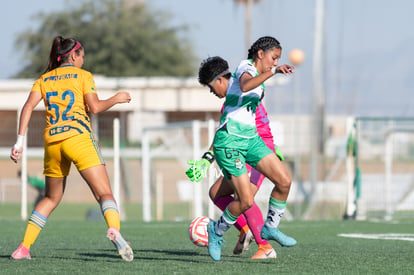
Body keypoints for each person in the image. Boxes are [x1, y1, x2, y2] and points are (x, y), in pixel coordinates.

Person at [9, 36, 133, 262]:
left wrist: (19, 142)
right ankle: (115, 230)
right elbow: (94, 108)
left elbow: (27, 107)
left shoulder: (44, 79)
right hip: (78, 138)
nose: (83, 61)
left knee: (50, 198)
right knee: (104, 193)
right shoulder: (83, 76)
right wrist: (117, 98)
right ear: (74, 56)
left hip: (53, 142)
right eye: (82, 56)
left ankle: (23, 248)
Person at [186, 56, 296, 260]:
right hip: (241, 146)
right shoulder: (232, 100)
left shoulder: (244, 92)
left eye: (211, 88)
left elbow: (254, 124)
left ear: (219, 80)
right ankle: (245, 229)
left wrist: (270, 147)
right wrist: (206, 159)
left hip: (255, 147)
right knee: (217, 193)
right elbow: (226, 129)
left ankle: (264, 246)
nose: (212, 93)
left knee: (245, 198)